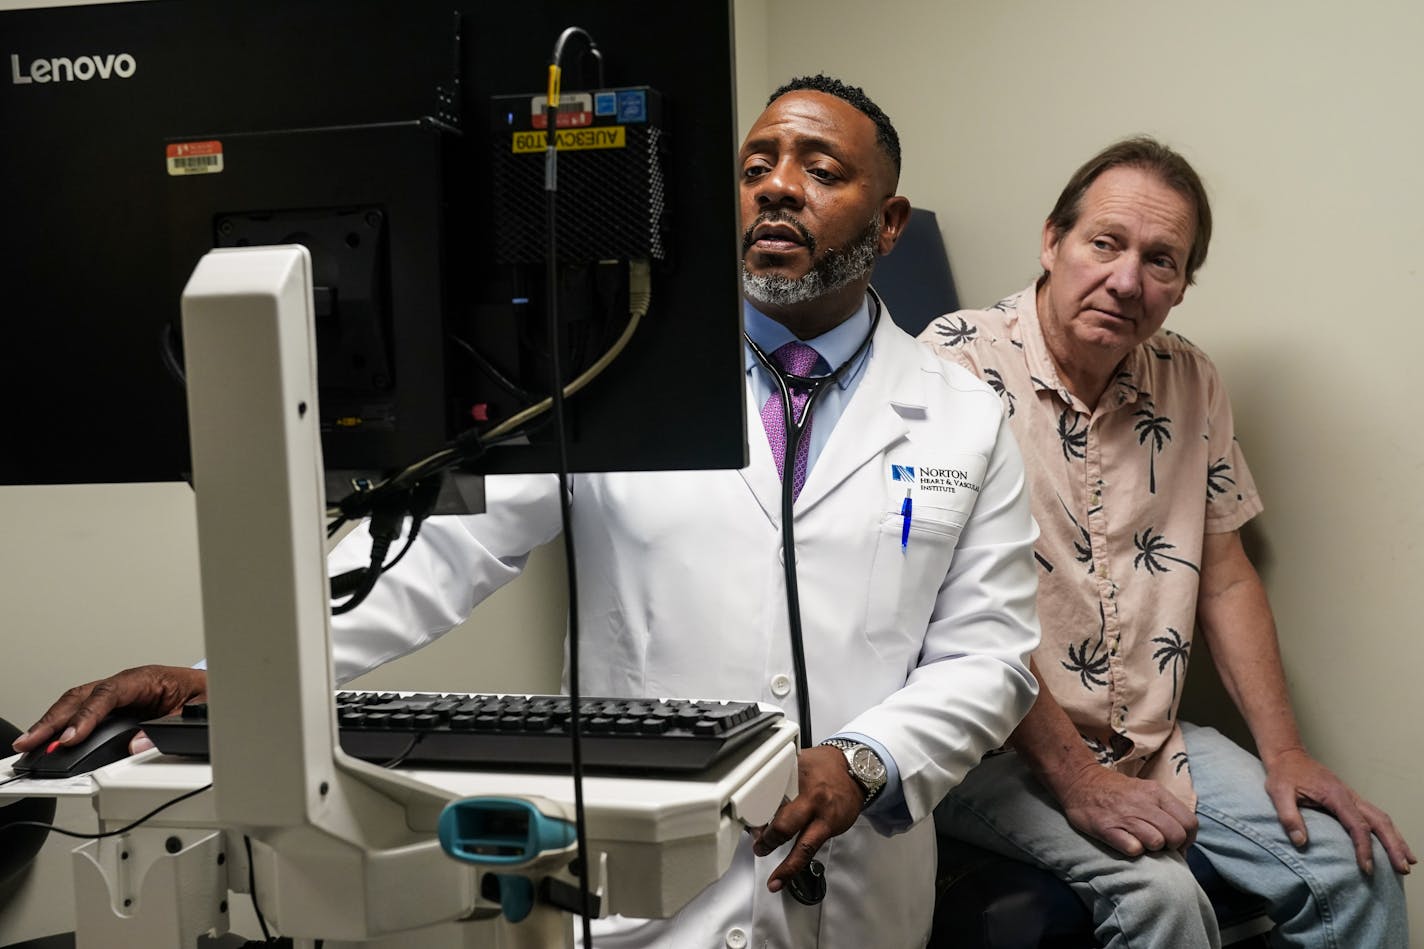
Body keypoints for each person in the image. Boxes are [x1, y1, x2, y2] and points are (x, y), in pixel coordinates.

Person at [15, 76, 1042, 949]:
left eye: (821, 170)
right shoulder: (606, 378)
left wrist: (868, 760)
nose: (777, 186)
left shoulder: (959, 416)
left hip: (852, 888)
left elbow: (989, 653)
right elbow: (436, 554)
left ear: (888, 220)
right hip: (649, 880)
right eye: (755, 164)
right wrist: (222, 675)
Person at [921, 137, 1415, 947]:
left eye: (1161, 260)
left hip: (1143, 736)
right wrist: (1077, 777)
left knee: (1353, 863)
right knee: (1163, 898)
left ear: (1182, 286)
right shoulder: (953, 365)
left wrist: (1285, 750)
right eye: (1104, 243)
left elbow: (1224, 576)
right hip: (987, 747)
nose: (1126, 281)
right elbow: (947, 610)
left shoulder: (1191, 379)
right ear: (1052, 240)